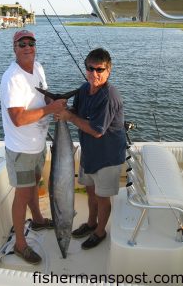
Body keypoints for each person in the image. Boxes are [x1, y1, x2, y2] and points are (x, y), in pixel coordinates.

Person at [0, 30, 66, 264]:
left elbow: (44, 95)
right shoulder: (12, 78)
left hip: (38, 144)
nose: (27, 47)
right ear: (14, 48)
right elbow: (17, 118)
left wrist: (54, 104)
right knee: (23, 193)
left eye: (31, 43)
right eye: (22, 44)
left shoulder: (37, 67)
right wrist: (50, 109)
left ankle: (37, 218)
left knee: (35, 183)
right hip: (21, 149)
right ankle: (20, 244)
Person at [56, 48, 126, 250]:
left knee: (103, 198)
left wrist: (69, 117)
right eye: (90, 68)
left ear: (109, 70)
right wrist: (61, 110)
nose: (94, 74)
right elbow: (76, 112)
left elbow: (96, 131)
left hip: (107, 156)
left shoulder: (109, 96)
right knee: (90, 191)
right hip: (89, 153)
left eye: (100, 69)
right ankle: (91, 223)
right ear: (85, 68)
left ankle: (100, 232)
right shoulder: (84, 90)